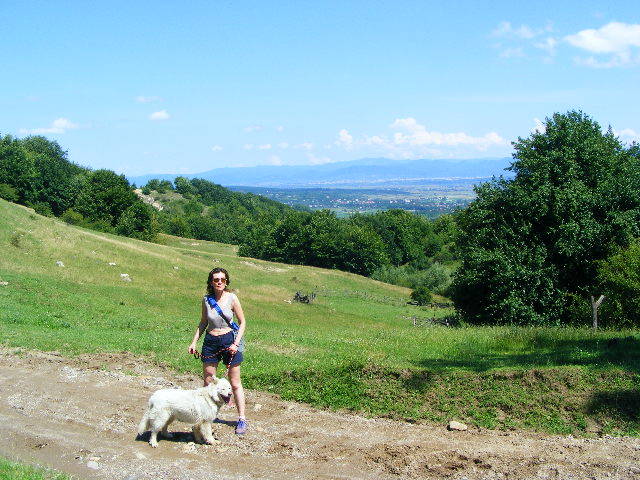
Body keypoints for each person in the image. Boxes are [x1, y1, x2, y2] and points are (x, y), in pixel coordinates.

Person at [188, 267, 247, 435]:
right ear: (211, 282)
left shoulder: (232, 298)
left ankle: (242, 418)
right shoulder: (206, 300)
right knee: (208, 383)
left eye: (222, 279)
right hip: (211, 341)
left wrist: (235, 343)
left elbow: (243, 322)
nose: (219, 282)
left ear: (226, 281)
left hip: (229, 340)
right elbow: (203, 323)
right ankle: (206, 419)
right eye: (216, 280)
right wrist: (194, 342)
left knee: (234, 382)